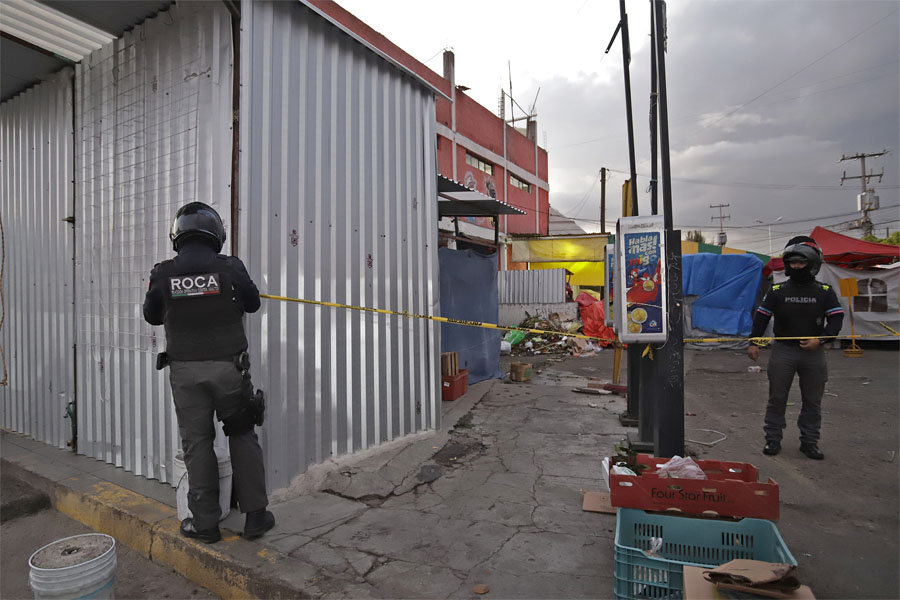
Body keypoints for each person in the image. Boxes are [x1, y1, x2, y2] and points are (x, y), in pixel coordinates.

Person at [143, 202, 275, 543]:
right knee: (242, 433)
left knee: (197, 443)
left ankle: (205, 525)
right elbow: (253, 303)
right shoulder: (230, 267)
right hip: (229, 369)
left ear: (177, 235)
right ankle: (256, 517)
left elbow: (152, 316)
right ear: (216, 234)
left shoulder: (162, 273)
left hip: (185, 374)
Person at [748, 236, 844, 460]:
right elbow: (761, 318)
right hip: (783, 351)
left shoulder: (825, 291)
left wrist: (820, 340)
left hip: (814, 354)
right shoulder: (777, 290)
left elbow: (837, 320)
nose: (797, 267)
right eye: (793, 263)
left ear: (812, 264)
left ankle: (810, 442)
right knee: (777, 398)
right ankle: (773, 439)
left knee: (813, 400)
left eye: (801, 263)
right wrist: (754, 342)